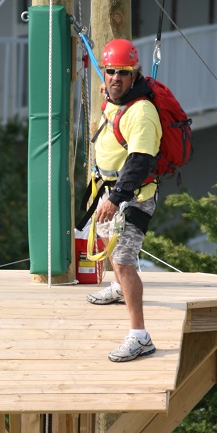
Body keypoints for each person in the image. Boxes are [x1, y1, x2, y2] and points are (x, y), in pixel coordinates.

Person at [87, 38, 162, 362]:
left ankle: (139, 336)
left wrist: (116, 199)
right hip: (110, 190)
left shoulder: (142, 112)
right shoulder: (114, 98)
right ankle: (119, 290)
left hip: (134, 197)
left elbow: (139, 161)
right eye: (109, 71)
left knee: (123, 261)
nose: (114, 78)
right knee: (108, 242)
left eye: (123, 73)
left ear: (135, 75)